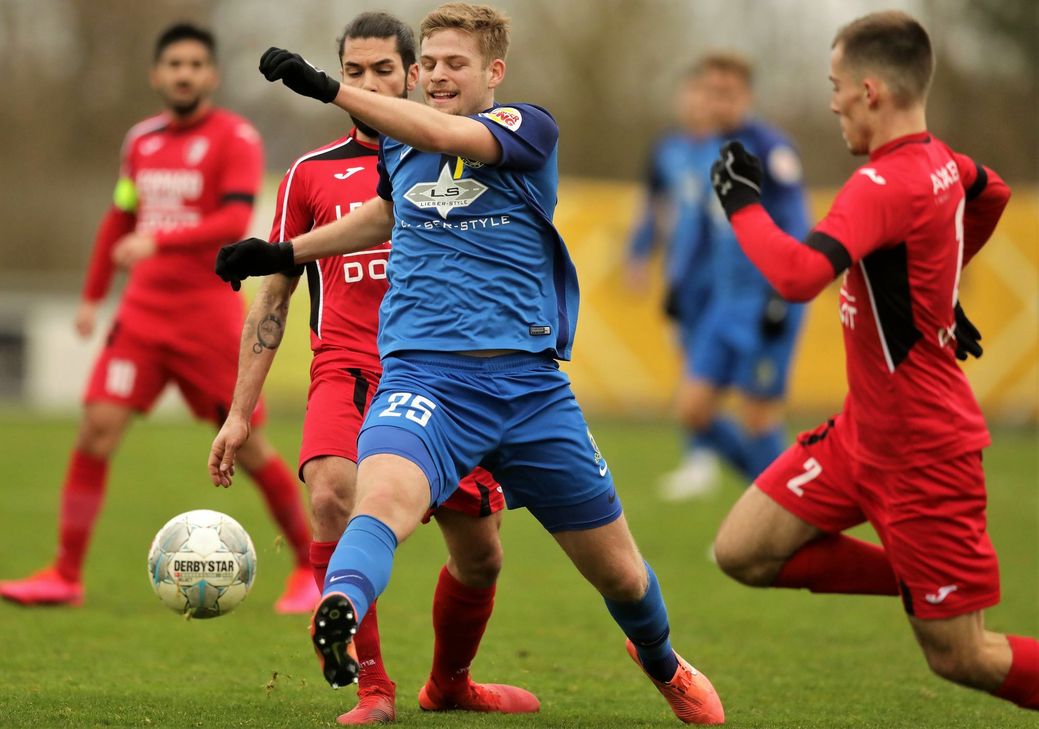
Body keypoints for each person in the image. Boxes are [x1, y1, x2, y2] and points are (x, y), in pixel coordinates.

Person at [215, 3, 725, 724]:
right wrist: (284, 252)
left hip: (529, 390)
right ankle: (341, 604)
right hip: (425, 379)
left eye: (457, 63)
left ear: (494, 72)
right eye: (431, 64)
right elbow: (391, 212)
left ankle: (663, 660)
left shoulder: (526, 128)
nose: (440, 76)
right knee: (377, 500)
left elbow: (444, 133)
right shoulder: (400, 146)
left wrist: (329, 87)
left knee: (615, 569)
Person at [207, 12, 537, 724]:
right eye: (351, 73)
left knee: (480, 557)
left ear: (413, 74)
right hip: (347, 367)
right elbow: (276, 292)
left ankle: (450, 682)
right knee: (331, 492)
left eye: (381, 72)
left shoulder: (458, 154)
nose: (365, 84)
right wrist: (239, 412)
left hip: (447, 378)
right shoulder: (309, 174)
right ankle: (372, 688)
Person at [709, 10, 1036, 712]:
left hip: (923, 453)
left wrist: (741, 206)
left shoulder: (884, 184)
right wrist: (934, 294)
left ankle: (928, 582)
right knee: (741, 550)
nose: (830, 102)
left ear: (869, 91)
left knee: (961, 655)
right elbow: (992, 191)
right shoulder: (942, 162)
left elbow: (797, 276)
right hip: (864, 436)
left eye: (834, 86)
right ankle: (914, 575)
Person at [0, 23, 316, 614]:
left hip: (208, 316)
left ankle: (308, 568)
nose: (184, 73)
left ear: (212, 76)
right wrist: (94, 297)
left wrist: (160, 243)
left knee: (246, 446)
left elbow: (232, 221)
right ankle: (65, 574)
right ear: (157, 74)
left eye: (196, 64)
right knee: (95, 429)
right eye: (174, 64)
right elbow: (120, 218)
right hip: (142, 317)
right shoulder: (140, 141)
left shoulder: (236, 138)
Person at [674, 53, 811, 497]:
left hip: (767, 302)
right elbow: (703, 225)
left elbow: (795, 223)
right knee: (693, 409)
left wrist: (780, 292)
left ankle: (783, 512)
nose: (718, 102)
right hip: (723, 303)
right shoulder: (702, 152)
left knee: (758, 419)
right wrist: (680, 284)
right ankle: (775, 498)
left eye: (728, 93)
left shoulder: (770, 148)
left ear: (746, 96)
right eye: (711, 92)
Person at [624, 68, 721, 501]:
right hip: (683, 278)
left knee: (714, 370)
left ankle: (741, 457)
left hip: (728, 279)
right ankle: (700, 458)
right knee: (690, 366)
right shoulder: (668, 151)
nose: (699, 106)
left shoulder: (734, 149)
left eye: (708, 97)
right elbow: (653, 207)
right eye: (693, 96)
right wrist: (640, 255)